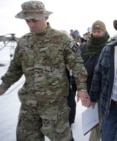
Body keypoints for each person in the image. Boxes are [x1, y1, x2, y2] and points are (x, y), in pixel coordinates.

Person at [0, 1, 88, 141]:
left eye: (34, 20)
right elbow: (15, 67)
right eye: (27, 20)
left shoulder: (62, 39)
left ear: (45, 17)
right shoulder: (23, 42)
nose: (31, 24)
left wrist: (82, 88)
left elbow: (77, 64)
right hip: (29, 105)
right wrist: (4, 85)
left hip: (55, 105)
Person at [81, 20, 111, 141]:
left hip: (105, 90)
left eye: (99, 31)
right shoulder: (85, 47)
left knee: (101, 119)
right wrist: (80, 87)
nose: (96, 34)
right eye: (94, 31)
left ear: (104, 31)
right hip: (89, 89)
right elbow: (79, 67)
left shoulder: (110, 47)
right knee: (94, 118)